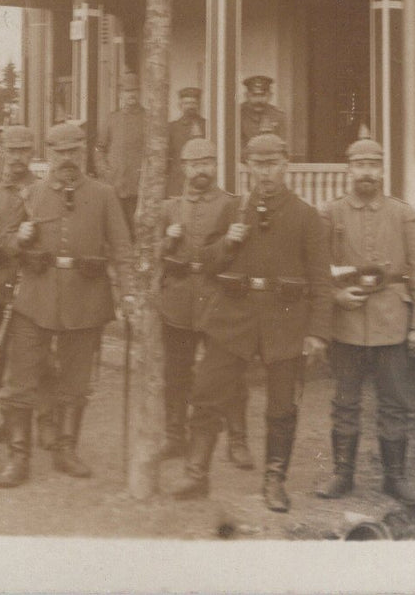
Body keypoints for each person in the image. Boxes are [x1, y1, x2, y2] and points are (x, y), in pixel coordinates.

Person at [171, 133, 330, 512]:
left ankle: (274, 482)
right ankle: (196, 475)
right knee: (207, 394)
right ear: (247, 168)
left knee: (281, 407)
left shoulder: (306, 216)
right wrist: (228, 242)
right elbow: (205, 262)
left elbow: (322, 280)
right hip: (233, 318)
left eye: (273, 163)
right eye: (258, 164)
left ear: (286, 164)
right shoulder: (233, 210)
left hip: (285, 321)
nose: (266, 172)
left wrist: (318, 333)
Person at [0, 121, 132, 488]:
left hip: (86, 298)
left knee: (75, 379)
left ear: (84, 151)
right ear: (49, 155)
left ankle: (65, 449)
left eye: (74, 151)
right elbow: (5, 242)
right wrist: (19, 238)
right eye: (60, 152)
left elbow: (122, 247)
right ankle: (18, 457)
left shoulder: (104, 195)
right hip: (35, 297)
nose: (67, 159)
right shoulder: (31, 195)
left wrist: (129, 294)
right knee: (21, 378)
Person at [316, 134, 415, 505]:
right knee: (345, 401)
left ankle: (394, 478)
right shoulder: (331, 214)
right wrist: (336, 295)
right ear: (349, 171)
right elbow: (317, 269)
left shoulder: (402, 213)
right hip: (347, 323)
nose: (366, 173)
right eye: (359, 166)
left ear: (381, 171)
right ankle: (342, 474)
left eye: (372, 166)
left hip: (391, 321)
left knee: (394, 403)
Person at [157, 138, 253, 470]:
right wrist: (167, 239)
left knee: (230, 373)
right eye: (195, 163)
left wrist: (232, 241)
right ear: (184, 167)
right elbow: (153, 252)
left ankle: (238, 440)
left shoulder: (231, 205)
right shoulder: (169, 207)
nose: (202, 170)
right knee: (176, 371)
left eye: (208, 162)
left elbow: (241, 254)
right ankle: (174, 436)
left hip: (218, 298)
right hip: (179, 299)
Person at [0, 126, 58, 447]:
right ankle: (9, 420)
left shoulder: (43, 193)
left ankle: (46, 420)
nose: (17, 158)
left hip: (31, 285)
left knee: (42, 358)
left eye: (24, 151)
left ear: (32, 153)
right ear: (2, 153)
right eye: (12, 151)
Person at [94, 71, 145, 227]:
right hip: (114, 184)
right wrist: (104, 170)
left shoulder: (148, 118)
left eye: (134, 91)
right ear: (120, 94)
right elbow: (99, 148)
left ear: (139, 92)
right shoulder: (112, 119)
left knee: (136, 229)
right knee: (115, 228)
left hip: (139, 187)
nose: (131, 95)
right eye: (127, 91)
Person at [165, 86, 206, 197]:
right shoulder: (172, 128)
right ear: (180, 106)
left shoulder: (206, 125)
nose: (190, 106)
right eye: (186, 103)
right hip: (178, 183)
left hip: (201, 181)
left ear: (198, 105)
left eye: (193, 103)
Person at [238, 75, 287, 150]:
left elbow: (282, 146)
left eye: (263, 96)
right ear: (246, 96)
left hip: (271, 159)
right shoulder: (237, 114)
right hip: (245, 160)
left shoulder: (278, 115)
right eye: (254, 95)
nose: (259, 100)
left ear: (270, 96)